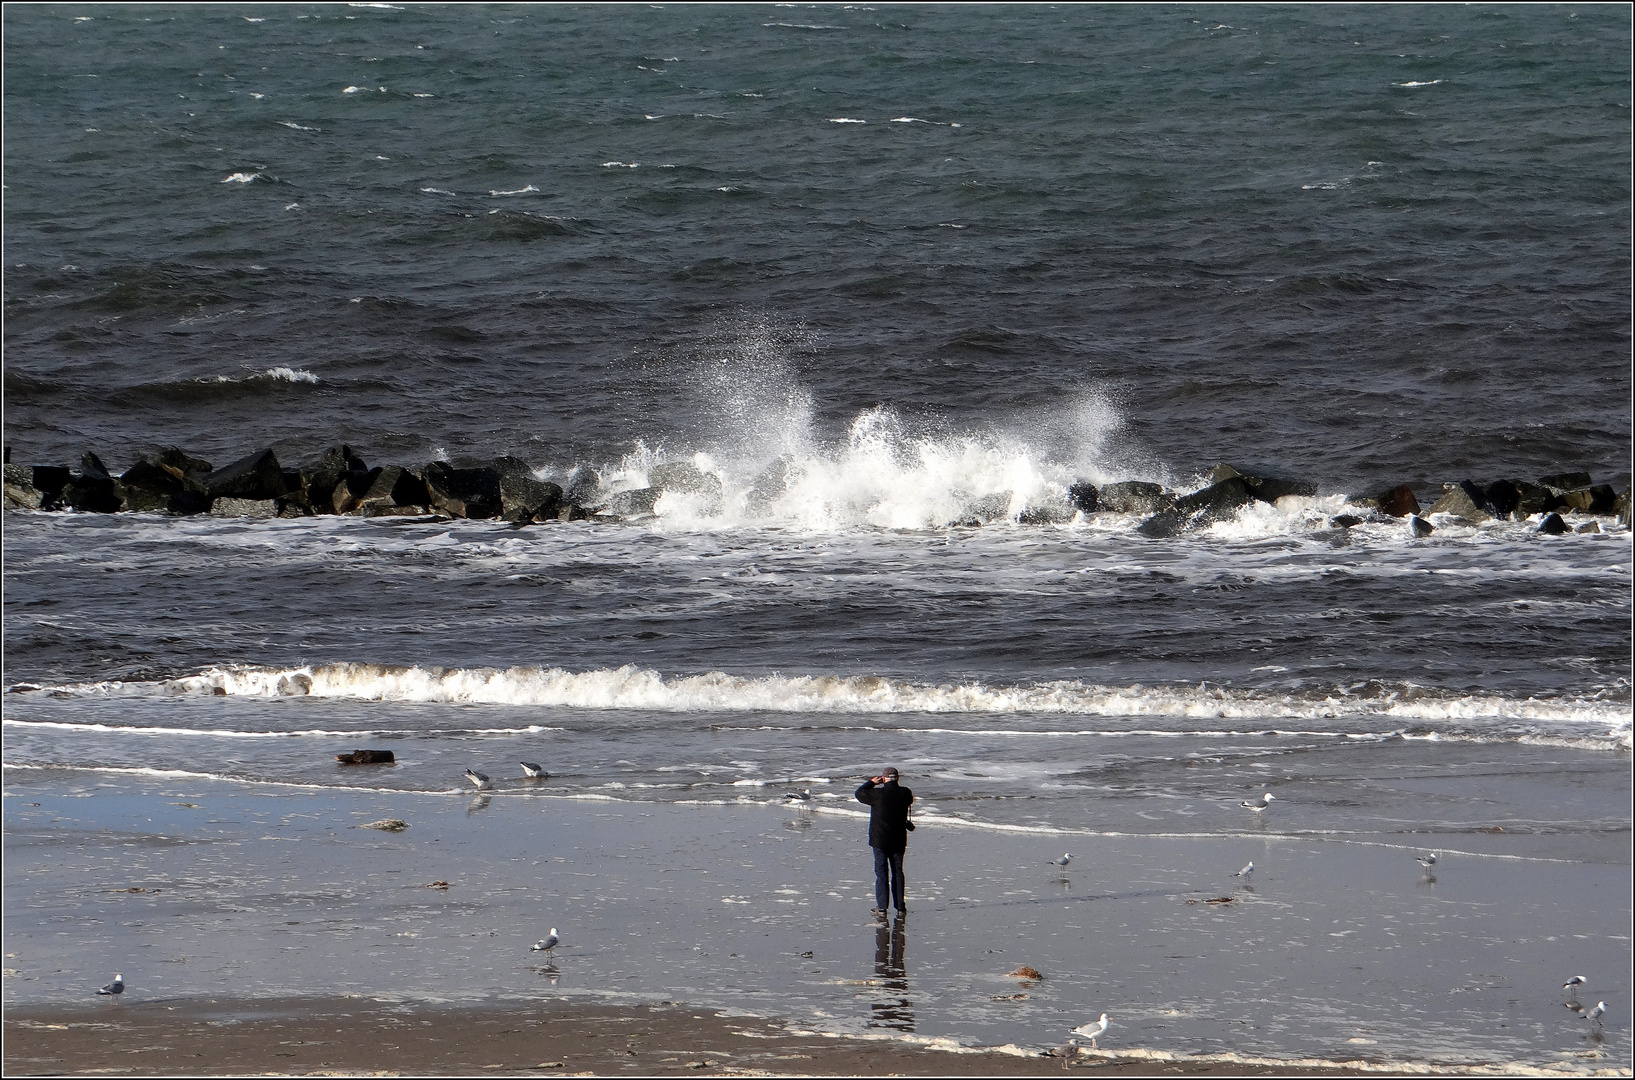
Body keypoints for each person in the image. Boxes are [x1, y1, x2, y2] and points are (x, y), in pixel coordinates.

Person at [855, 767, 914, 914]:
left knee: (881, 873)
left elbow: (859, 794)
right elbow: (909, 800)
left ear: (884, 778)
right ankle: (900, 907)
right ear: (898, 778)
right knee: (898, 872)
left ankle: (882, 907)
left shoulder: (877, 794)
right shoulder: (905, 792)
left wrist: (870, 783)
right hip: (898, 839)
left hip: (879, 840)